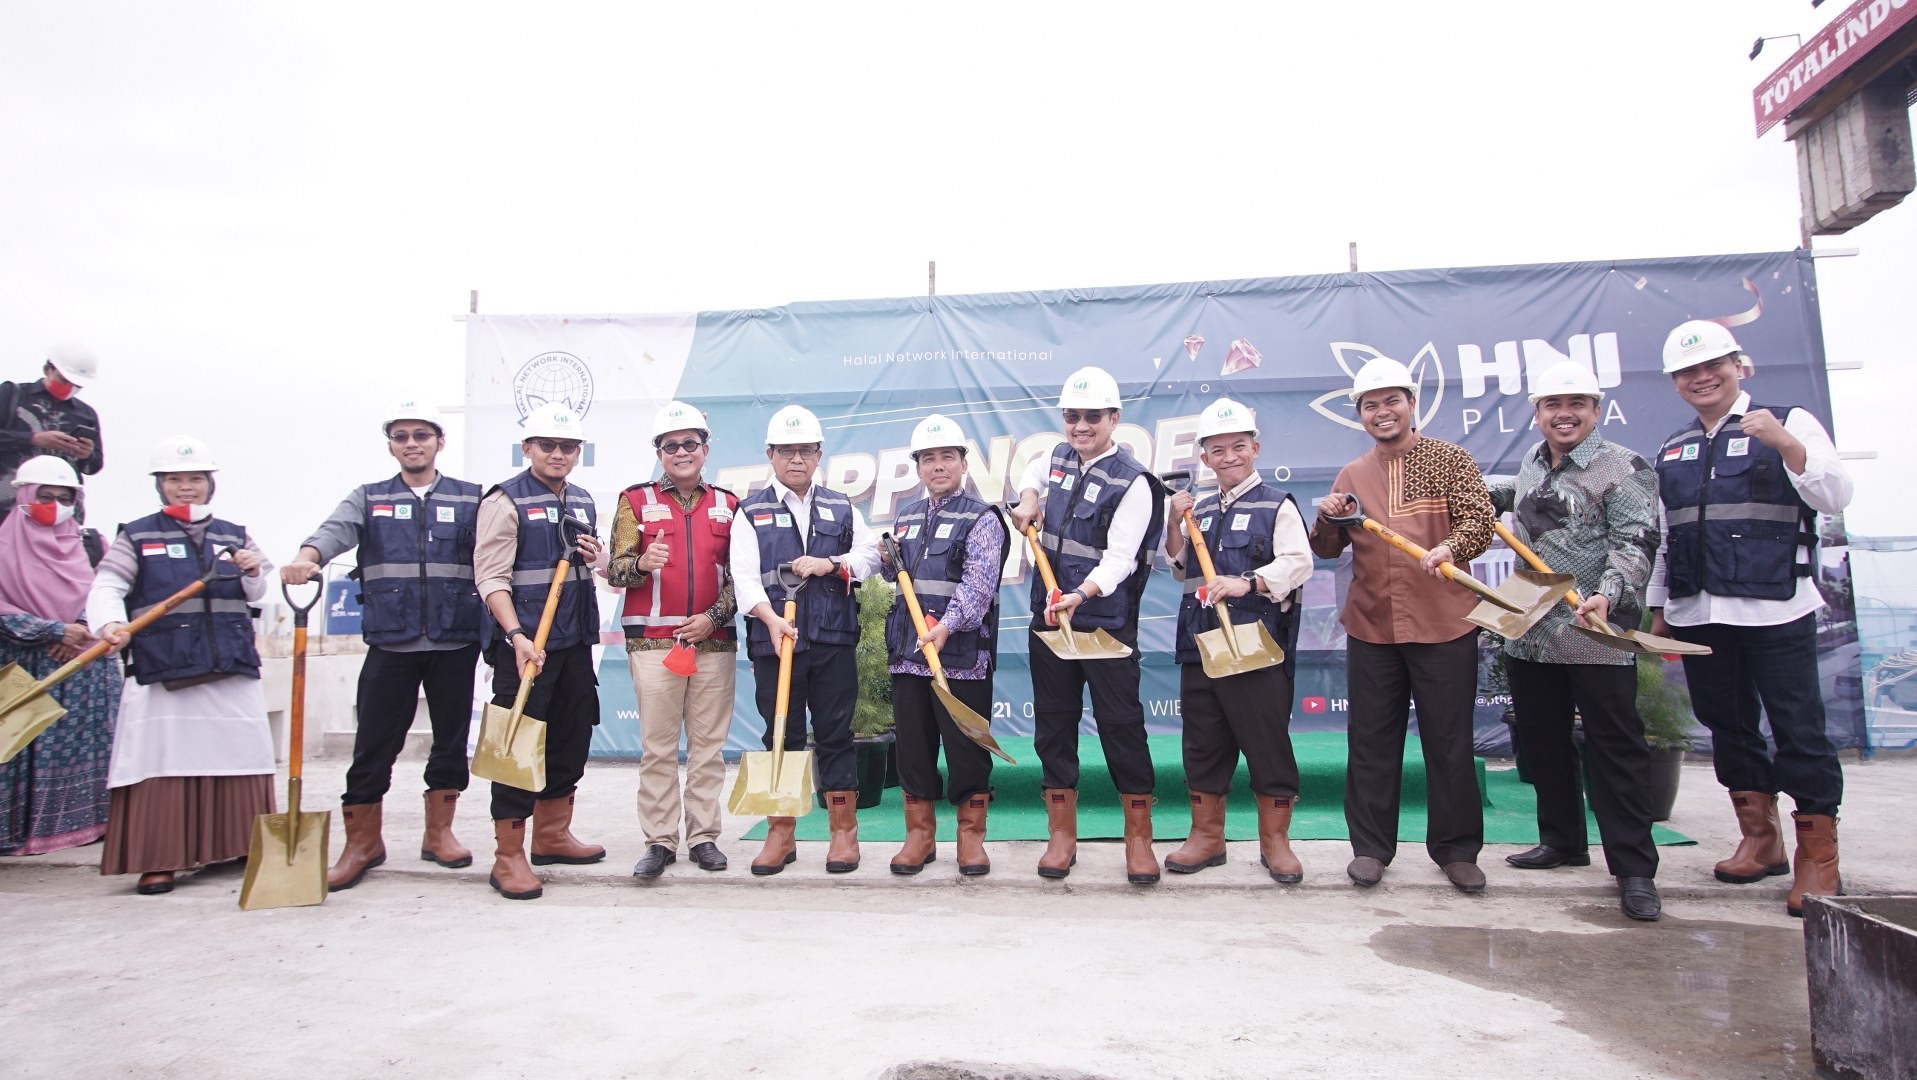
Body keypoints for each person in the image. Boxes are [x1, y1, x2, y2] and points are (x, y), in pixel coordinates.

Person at [1648, 320, 1854, 918]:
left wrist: (1786, 444)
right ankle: (1760, 840)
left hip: (1775, 606)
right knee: (1726, 724)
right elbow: (1667, 535)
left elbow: (1836, 495)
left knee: (1798, 726)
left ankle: (1819, 854)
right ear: (1676, 382)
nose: (1701, 377)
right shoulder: (1674, 447)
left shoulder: (1787, 421)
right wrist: (1660, 608)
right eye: (1687, 371)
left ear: (1740, 364)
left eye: (1713, 364)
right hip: (1699, 610)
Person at [279, 397, 485, 890]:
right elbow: (333, 532)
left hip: (454, 640)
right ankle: (362, 844)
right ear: (391, 445)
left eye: (421, 435)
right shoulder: (367, 498)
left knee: (451, 742)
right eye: (401, 436)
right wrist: (307, 557)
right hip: (391, 642)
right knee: (373, 745)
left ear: (440, 441)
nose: (412, 444)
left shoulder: (471, 498)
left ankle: (440, 834)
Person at [1308, 356, 1494, 893]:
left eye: (1392, 401)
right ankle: (1370, 849)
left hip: (1445, 624)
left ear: (1412, 404)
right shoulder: (1353, 474)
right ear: (1360, 415)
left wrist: (1452, 548)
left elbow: (1479, 522)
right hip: (1373, 628)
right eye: (1371, 405)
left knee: (1450, 741)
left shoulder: (1446, 459)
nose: (1382, 412)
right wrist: (1327, 516)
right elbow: (1327, 548)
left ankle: (1457, 851)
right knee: (1370, 741)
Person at [1487, 361, 1663, 921]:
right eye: (1552, 405)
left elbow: (1635, 541)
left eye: (1576, 404)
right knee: (1541, 740)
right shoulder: (1535, 463)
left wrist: (1610, 593)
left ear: (1596, 408)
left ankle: (1634, 869)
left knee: (1615, 746)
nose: (1564, 415)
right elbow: (1514, 494)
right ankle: (1562, 841)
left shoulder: (1624, 466)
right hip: (1531, 621)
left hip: (1593, 625)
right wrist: (1467, 489)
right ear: (1537, 413)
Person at [89, 436, 274, 895]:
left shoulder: (235, 534)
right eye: (175, 479)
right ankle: (160, 857)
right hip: (163, 668)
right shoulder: (136, 535)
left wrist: (253, 570)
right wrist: (111, 624)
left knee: (239, 756)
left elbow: (258, 592)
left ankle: (239, 844)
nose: (185, 487)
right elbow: (107, 584)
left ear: (209, 483)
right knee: (160, 760)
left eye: (194, 479)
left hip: (230, 665)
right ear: (161, 485)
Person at [1009, 366, 1166, 884]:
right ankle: (1061, 836)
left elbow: (1121, 559)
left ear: (1113, 419)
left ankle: (1138, 840)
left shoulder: (1136, 482)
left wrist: (1080, 594)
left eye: (1092, 417)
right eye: (1072, 416)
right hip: (1050, 621)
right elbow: (1031, 475)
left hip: (1103, 622)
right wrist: (1030, 498)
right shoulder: (1053, 458)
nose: (1081, 426)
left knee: (1121, 727)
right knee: (1053, 725)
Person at [1162, 399, 1314, 884]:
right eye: (1217, 449)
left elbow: (1298, 563)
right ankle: (1207, 837)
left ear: (1255, 448)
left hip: (1255, 644)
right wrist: (1173, 522)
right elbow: (1180, 567)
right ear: (1204, 457)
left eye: (1238, 447)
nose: (1229, 456)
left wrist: (1247, 582)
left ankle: (1276, 844)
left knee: (1266, 743)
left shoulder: (1277, 503)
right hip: (1202, 645)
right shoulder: (1199, 510)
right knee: (1203, 743)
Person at [731, 404, 880, 876]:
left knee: (836, 735)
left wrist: (833, 564)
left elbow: (870, 556)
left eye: (806, 450)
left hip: (833, 638)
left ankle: (843, 833)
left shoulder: (841, 506)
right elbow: (743, 578)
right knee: (782, 733)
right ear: (770, 455)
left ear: (819, 455)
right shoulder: (749, 513)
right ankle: (781, 832)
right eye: (787, 451)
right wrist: (770, 619)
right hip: (776, 644)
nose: (797, 459)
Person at [474, 402, 607, 901]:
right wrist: (515, 636)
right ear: (527, 448)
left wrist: (602, 559)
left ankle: (552, 836)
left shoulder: (584, 500)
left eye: (567, 446)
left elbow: (600, 569)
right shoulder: (504, 501)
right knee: (516, 745)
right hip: (525, 647)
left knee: (570, 738)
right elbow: (490, 576)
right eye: (547, 445)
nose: (557, 453)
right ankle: (508, 855)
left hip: (572, 645)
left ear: (578, 452)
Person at [608, 400, 738, 878]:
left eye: (690, 443)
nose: (681, 452)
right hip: (654, 643)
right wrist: (641, 564)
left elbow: (740, 579)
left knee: (708, 748)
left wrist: (711, 617)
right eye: (671, 445)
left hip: (713, 640)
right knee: (658, 748)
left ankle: (704, 837)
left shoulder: (729, 503)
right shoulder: (633, 501)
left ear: (705, 449)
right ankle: (660, 841)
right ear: (659, 452)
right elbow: (616, 571)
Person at [878, 414, 1009, 876]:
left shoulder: (983, 518)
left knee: (966, 747)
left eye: (946, 457)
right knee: (913, 747)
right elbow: (897, 579)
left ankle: (971, 838)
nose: (938, 466)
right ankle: (919, 836)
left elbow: (978, 586)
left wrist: (948, 627)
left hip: (959, 656)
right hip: (909, 655)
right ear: (917, 466)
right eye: (928, 458)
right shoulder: (907, 516)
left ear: (963, 463)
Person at [0, 457, 118, 855]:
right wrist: (52, 630)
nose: (53, 504)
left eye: (63, 497)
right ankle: (24, 832)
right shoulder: (3, 545)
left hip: (86, 668)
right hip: (26, 666)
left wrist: (79, 628)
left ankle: (87, 826)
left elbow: (111, 589)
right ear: (24, 496)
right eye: (44, 496)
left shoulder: (90, 543)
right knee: (23, 748)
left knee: (89, 748)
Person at [0, 345, 104, 517]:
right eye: (65, 380)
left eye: (77, 385)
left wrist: (86, 454)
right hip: (8, 506)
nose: (70, 387)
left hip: (62, 512)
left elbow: (94, 466)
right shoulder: (12, 394)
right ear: (48, 369)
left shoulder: (87, 415)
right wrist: (32, 439)